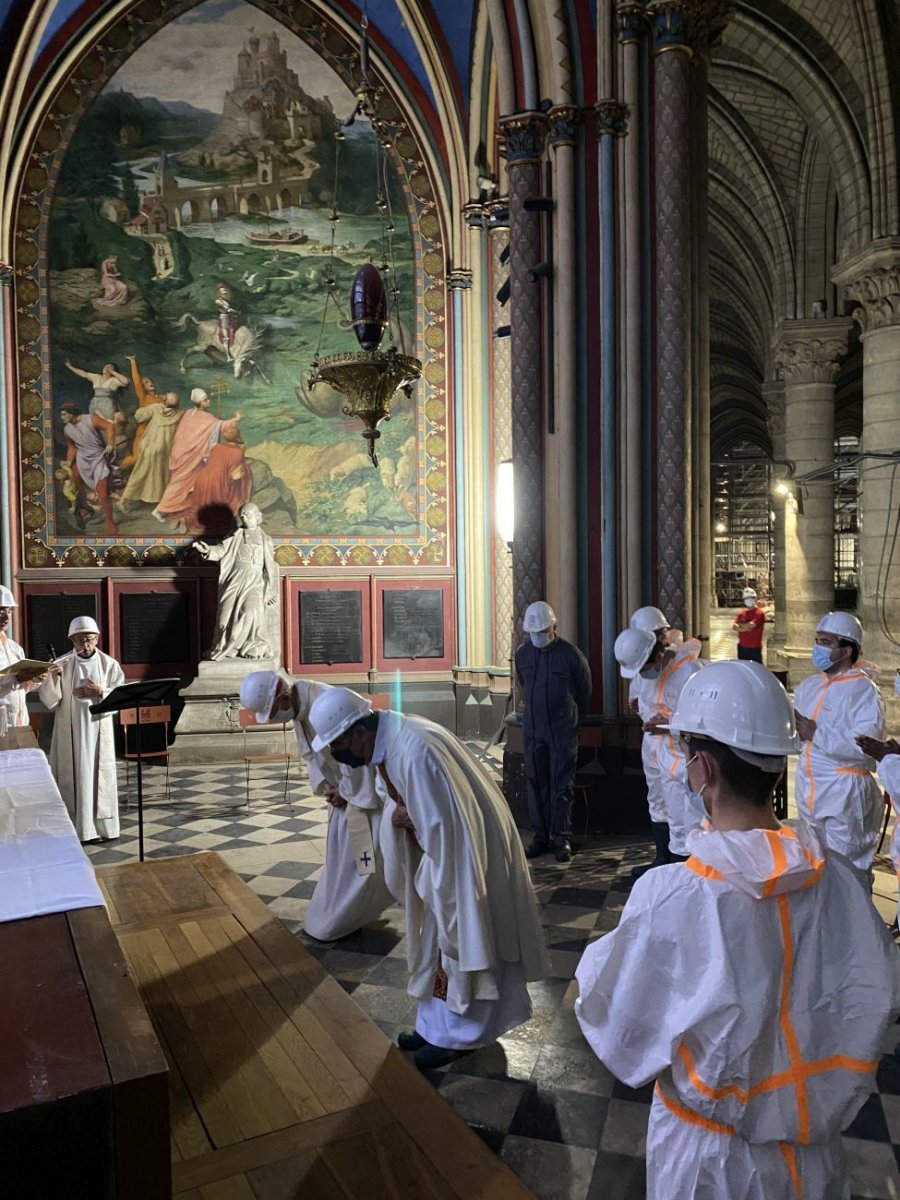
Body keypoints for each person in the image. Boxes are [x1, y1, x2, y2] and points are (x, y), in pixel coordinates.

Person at [575, 660, 900, 1199]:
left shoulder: (676, 894)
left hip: (711, 1161)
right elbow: (874, 997)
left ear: (702, 767)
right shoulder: (839, 881)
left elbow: (619, 1028)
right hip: (814, 1155)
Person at [307, 687, 548, 1069]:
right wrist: (398, 818)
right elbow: (403, 806)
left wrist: (405, 826)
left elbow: (443, 830)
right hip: (442, 857)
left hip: (459, 863)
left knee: (462, 943)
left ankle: (461, 1033)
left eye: (339, 746)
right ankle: (436, 1026)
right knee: (440, 946)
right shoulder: (392, 745)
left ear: (359, 732)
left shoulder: (415, 752)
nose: (343, 757)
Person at [239, 671, 393, 940]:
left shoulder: (325, 703)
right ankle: (341, 914)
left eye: (274, 711)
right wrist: (330, 788)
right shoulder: (301, 706)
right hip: (345, 797)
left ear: (284, 697)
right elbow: (315, 757)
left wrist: (346, 792)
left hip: (362, 799)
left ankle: (341, 918)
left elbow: (355, 757)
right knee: (343, 862)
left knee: (359, 863)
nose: (275, 719)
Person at [793, 611, 884, 876]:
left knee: (848, 871)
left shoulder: (863, 691)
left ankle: (856, 918)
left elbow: (865, 746)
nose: (817, 648)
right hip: (811, 788)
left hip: (845, 793)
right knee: (816, 868)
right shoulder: (810, 686)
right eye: (817, 640)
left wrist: (816, 733)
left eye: (825, 642)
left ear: (845, 651)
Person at [615, 619, 705, 870]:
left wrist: (668, 723)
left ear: (657, 651)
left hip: (681, 753)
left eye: (646, 666)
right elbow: (645, 701)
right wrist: (641, 711)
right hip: (653, 747)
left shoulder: (688, 671)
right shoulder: (643, 674)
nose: (643, 673)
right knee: (657, 802)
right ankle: (662, 860)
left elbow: (701, 719)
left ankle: (681, 869)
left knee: (681, 814)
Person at [514, 600, 592, 862]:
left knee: (561, 785)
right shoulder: (523, 655)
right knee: (535, 782)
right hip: (533, 729)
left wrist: (568, 719)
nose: (539, 637)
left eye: (543, 631)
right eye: (534, 633)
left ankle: (561, 838)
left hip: (562, 730)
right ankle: (540, 836)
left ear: (554, 627)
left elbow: (584, 693)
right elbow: (524, 685)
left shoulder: (571, 656)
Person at [38, 616, 125, 843]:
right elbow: (50, 699)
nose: (84, 645)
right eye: (79, 640)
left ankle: (101, 828)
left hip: (98, 730)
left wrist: (100, 691)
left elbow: (120, 693)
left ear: (96, 639)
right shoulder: (63, 663)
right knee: (73, 774)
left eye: (89, 639)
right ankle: (76, 829)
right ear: (72, 641)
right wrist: (53, 679)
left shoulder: (109, 664)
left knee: (98, 776)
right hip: (71, 732)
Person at [153, 388, 244, 532]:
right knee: (180, 483)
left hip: (181, 453)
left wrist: (216, 423)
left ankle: (177, 510)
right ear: (200, 403)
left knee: (184, 484)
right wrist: (236, 419)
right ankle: (162, 508)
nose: (209, 401)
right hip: (191, 456)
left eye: (208, 398)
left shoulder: (189, 414)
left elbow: (199, 431)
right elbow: (221, 426)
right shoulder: (207, 418)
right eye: (205, 399)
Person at [195, 503, 278, 660]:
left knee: (251, 611)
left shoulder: (265, 539)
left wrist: (271, 590)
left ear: (258, 517)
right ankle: (227, 647)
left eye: (248, 515)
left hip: (254, 581)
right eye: (242, 515)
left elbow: (270, 567)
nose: (244, 518)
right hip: (234, 578)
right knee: (224, 619)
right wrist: (207, 550)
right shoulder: (234, 536)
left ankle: (252, 646)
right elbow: (220, 551)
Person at [60, 403, 119, 535]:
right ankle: (86, 506)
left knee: (103, 494)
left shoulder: (91, 419)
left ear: (72, 412)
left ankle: (110, 522)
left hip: (98, 457)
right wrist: (69, 462)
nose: (62, 417)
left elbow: (109, 426)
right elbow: (72, 447)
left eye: (64, 414)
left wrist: (110, 443)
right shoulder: (67, 429)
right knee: (75, 478)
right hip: (82, 459)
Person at [118, 390, 183, 509]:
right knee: (161, 476)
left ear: (165, 401)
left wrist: (151, 404)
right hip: (164, 450)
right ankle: (160, 503)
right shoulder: (180, 414)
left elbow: (138, 416)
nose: (166, 394)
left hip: (149, 448)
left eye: (167, 394)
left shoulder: (156, 408)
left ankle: (123, 501)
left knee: (139, 474)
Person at [0, 585, 48, 729]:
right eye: (2, 610)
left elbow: (21, 689)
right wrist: (17, 678)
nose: (7, 616)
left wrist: (34, 679)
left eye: (10, 611)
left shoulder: (14, 648)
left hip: (19, 719)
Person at [733, 587, 767, 663]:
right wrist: (746, 627)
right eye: (746, 598)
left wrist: (741, 626)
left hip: (754, 648)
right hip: (742, 647)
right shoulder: (741, 613)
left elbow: (751, 626)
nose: (748, 600)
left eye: (750, 598)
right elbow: (734, 627)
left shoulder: (759, 613)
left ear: (755, 598)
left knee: (756, 671)